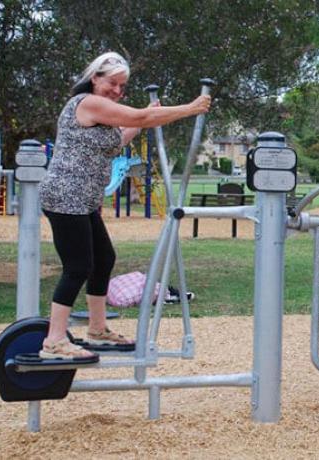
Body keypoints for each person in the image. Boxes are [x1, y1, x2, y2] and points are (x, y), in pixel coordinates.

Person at [38, 52, 211, 360]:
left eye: (122, 86)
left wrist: (147, 116)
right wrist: (190, 109)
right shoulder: (86, 103)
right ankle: (54, 340)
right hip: (67, 197)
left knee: (104, 258)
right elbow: (137, 118)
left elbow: (120, 137)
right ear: (95, 78)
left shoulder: (100, 113)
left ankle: (97, 329)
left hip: (83, 199)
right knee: (78, 266)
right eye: (112, 83)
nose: (117, 91)